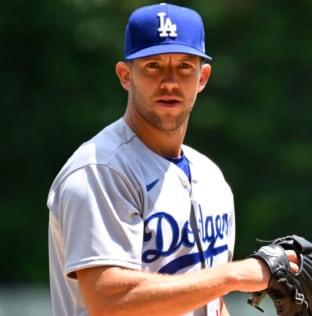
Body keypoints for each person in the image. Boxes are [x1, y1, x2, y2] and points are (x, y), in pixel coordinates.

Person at [47, 3, 298, 316]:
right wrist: (236, 274)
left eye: (184, 66)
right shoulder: (100, 169)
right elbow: (108, 300)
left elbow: (209, 303)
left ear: (202, 77)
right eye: (153, 66)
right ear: (126, 75)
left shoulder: (211, 178)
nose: (169, 82)